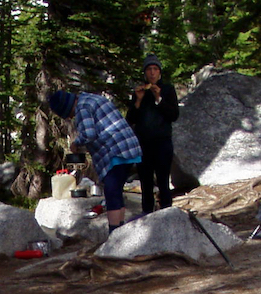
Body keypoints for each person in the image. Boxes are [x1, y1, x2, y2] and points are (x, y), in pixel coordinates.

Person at [47, 89, 142, 232]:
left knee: (111, 193)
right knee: (116, 192)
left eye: (68, 114)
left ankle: (114, 234)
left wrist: (76, 143)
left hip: (115, 151)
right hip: (129, 146)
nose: (71, 117)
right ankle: (122, 232)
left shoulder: (82, 107)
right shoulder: (93, 99)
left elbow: (89, 134)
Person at [126, 53, 180, 216]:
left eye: (155, 69)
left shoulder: (168, 90)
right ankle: (147, 213)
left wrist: (159, 98)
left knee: (163, 181)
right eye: (149, 69)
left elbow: (174, 115)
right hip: (143, 143)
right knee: (146, 182)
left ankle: (167, 213)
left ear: (159, 72)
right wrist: (138, 101)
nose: (152, 73)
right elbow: (130, 119)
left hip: (162, 142)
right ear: (145, 73)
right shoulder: (139, 92)